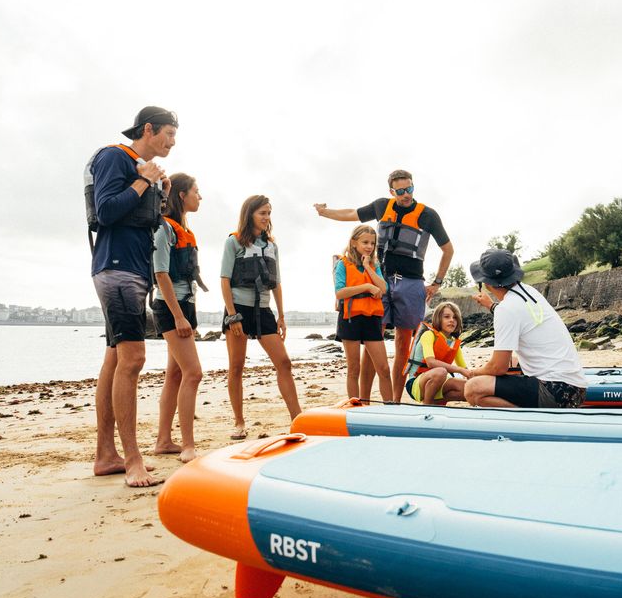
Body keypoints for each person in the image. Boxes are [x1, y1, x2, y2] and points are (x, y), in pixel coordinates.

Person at [88, 105, 176, 487]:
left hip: (135, 271)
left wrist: (161, 194)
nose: (173, 142)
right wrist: (143, 182)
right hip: (116, 268)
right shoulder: (114, 156)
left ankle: (106, 455)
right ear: (148, 129)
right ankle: (133, 460)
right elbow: (106, 211)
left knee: (115, 360)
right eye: (169, 134)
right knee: (133, 359)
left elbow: (144, 222)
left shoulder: (145, 171)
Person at [314, 169, 453, 401]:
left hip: (411, 283)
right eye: (401, 191)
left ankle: (395, 401)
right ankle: (364, 401)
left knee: (403, 344)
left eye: (409, 189)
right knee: (373, 338)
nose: (406, 195)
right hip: (381, 280)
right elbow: (352, 213)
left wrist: (437, 282)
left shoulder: (428, 215)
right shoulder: (381, 206)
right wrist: (325, 212)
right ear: (392, 191)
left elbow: (448, 249)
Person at [221, 195, 301, 438]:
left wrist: (281, 315)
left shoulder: (272, 246)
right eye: (262, 213)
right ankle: (239, 422)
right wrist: (232, 316)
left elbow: (276, 283)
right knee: (236, 366)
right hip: (238, 310)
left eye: (269, 213)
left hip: (264, 310)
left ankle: (297, 418)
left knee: (284, 363)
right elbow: (224, 280)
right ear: (250, 215)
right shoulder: (234, 241)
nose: (267, 218)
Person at [464, 249, 585, 408]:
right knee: (513, 361)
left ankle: (529, 419)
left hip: (556, 393)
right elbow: (517, 315)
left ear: (486, 283)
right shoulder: (529, 292)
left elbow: (498, 367)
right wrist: (491, 305)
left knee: (473, 389)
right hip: (575, 388)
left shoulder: (506, 309)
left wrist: (473, 373)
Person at [152, 173, 206, 463]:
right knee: (193, 373)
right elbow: (161, 274)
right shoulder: (164, 229)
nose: (200, 196)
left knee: (175, 374)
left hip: (186, 307)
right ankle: (188, 445)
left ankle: (163, 441)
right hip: (171, 308)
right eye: (196, 191)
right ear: (182, 195)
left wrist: (187, 315)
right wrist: (178, 317)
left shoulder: (184, 229)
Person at [334, 225, 394, 403]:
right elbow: (340, 292)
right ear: (354, 243)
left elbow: (383, 288)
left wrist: (368, 267)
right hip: (350, 319)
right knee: (354, 369)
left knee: (384, 369)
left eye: (372, 243)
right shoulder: (342, 264)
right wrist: (367, 287)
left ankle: (391, 408)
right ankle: (356, 407)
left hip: (372, 320)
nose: (369, 246)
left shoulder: (374, 265)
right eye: (365, 242)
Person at [403, 300, 471, 405]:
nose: (452, 320)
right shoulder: (429, 335)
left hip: (441, 380)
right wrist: (459, 370)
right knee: (441, 372)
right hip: (416, 382)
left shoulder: (454, 343)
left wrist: (479, 379)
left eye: (455, 318)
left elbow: (466, 370)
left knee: (469, 388)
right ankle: (427, 406)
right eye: (447, 317)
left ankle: (434, 403)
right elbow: (431, 363)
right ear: (438, 319)